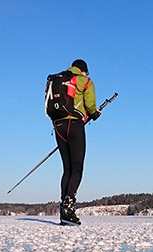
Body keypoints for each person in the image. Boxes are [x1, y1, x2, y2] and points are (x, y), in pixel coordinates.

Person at [52, 59, 101, 226]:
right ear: (84, 71)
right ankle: (68, 208)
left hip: (58, 126)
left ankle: (63, 210)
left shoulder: (59, 79)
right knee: (77, 168)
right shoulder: (84, 81)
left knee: (67, 169)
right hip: (75, 125)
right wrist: (94, 114)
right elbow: (90, 105)